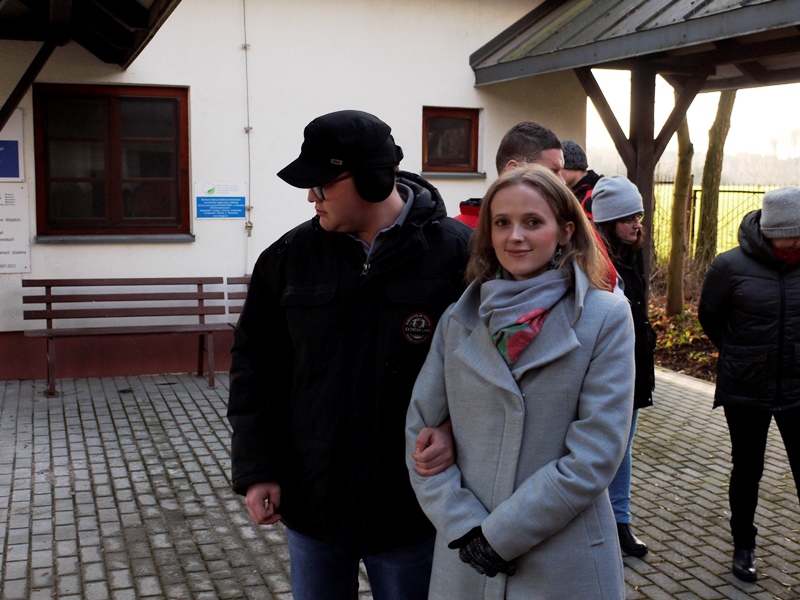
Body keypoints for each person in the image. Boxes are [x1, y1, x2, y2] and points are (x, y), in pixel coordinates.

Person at [227, 109, 472, 600]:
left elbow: (489, 375)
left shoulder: (460, 256)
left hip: (413, 510)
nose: (311, 197)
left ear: (372, 180)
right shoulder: (285, 260)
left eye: (321, 184)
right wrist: (259, 470)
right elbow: (256, 373)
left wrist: (453, 430)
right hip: (314, 503)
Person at [405, 164, 635, 598]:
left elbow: (597, 453)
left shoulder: (605, 317)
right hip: (467, 559)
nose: (515, 236)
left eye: (532, 222)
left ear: (565, 231)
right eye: (502, 223)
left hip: (563, 558)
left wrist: (498, 536)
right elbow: (420, 434)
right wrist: (465, 526)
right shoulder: (460, 318)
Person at [698, 186, 800, 583]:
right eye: (792, 235)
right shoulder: (729, 266)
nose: (798, 242)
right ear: (773, 231)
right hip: (746, 388)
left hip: (797, 387)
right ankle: (744, 545)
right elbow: (710, 317)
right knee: (747, 469)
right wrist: (742, 354)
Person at [591, 175, 657, 557]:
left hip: (636, 365)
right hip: (609, 369)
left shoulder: (633, 253)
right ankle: (601, 523)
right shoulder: (597, 261)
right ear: (607, 222)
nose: (637, 224)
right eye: (628, 218)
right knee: (607, 449)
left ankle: (620, 523)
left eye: (639, 216)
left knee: (624, 448)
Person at [455, 121, 565, 227]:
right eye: (553, 171)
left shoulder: (559, 228)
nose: (562, 182)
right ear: (513, 170)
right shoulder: (459, 235)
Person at [561, 140, 603, 219]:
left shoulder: (593, 196)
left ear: (571, 166)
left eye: (557, 169)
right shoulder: (576, 192)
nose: (554, 174)